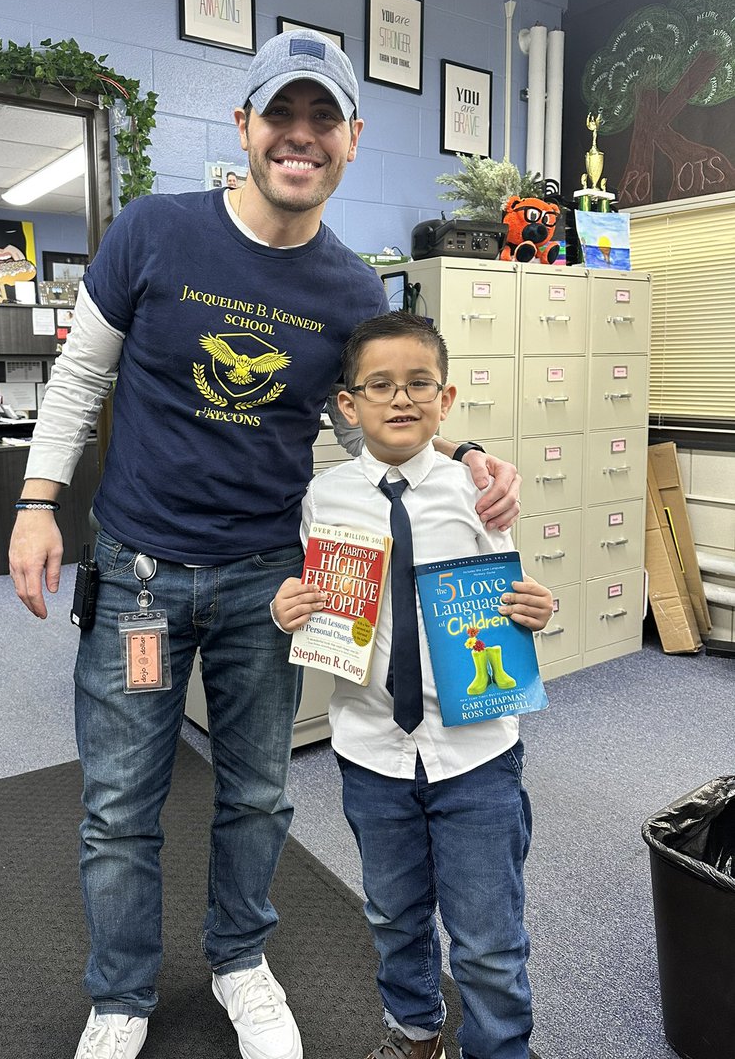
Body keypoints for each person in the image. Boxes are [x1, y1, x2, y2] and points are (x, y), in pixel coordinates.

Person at [8, 29, 522, 1059]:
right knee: (119, 805)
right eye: (279, 117)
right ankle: (121, 993)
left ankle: (241, 962)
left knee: (259, 794)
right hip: (142, 582)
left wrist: (460, 451)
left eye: (321, 120)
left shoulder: (348, 293)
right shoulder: (154, 232)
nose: (299, 138)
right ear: (244, 127)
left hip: (268, 586)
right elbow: (80, 376)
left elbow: (358, 417)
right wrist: (34, 501)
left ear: (351, 140)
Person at [272, 311, 553, 1059]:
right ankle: (414, 1029)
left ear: (446, 398)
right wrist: (289, 607)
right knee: (394, 914)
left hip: (477, 757)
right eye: (380, 386)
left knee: (488, 934)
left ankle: (499, 1049)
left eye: (418, 384)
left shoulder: (477, 490)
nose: (401, 400)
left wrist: (538, 607)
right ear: (348, 405)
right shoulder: (323, 499)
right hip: (371, 751)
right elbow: (314, 599)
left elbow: (512, 594)